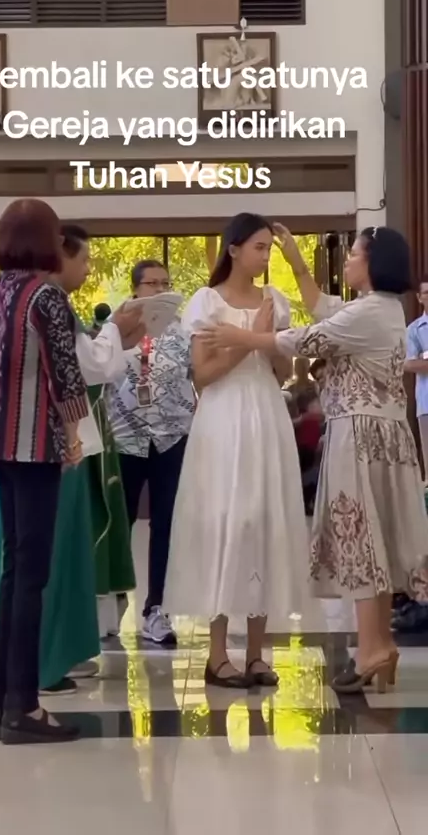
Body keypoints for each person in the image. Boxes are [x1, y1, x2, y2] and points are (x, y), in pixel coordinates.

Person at [202, 223, 428, 693]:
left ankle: (372, 649)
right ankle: (379, 645)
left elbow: (302, 340)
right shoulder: (381, 308)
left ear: (373, 262)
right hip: (383, 436)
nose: (348, 260)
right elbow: (323, 308)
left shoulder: (368, 312)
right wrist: (297, 262)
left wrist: (239, 336)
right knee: (376, 543)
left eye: (355, 254)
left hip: (359, 437)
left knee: (359, 540)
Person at [0, 224, 142, 695]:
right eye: (83, 258)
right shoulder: (46, 299)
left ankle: (15, 684)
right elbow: (80, 370)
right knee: (43, 565)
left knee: (24, 566)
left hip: (3, 445)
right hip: (45, 448)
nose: (87, 268)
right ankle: (38, 672)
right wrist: (115, 330)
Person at [163, 213, 309, 688]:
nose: (265, 257)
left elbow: (284, 372)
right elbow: (202, 376)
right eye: (259, 248)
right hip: (223, 420)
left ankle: (257, 654)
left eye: (269, 248)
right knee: (227, 521)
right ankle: (217, 653)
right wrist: (247, 343)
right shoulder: (207, 302)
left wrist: (267, 340)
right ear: (234, 249)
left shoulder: (275, 301)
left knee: (262, 521)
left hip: (266, 414)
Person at [0, 198, 89, 745]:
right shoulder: (46, 295)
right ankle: (23, 708)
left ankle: (1, 704)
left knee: (14, 572)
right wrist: (74, 436)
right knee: (32, 575)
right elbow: (65, 374)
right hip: (34, 446)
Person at [107, 259, 196, 646]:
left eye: (165, 283)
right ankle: (112, 599)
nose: (160, 290)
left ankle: (157, 609)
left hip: (172, 438)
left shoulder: (184, 332)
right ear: (136, 289)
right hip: (124, 437)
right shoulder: (117, 327)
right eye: (152, 284)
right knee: (119, 521)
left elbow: (200, 376)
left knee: (166, 524)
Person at [405, 277, 428, 481]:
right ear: (419, 297)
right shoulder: (414, 330)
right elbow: (409, 364)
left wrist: (424, 357)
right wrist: (419, 361)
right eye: (427, 293)